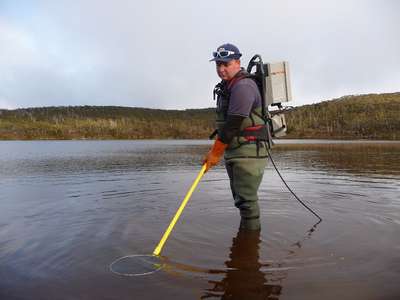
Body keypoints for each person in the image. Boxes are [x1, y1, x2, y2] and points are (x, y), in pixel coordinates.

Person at [203, 43, 269, 231]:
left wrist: (214, 153)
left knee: (247, 202)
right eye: (218, 65)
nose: (221, 69)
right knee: (241, 201)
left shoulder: (244, 86)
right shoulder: (229, 86)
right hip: (236, 150)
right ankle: (246, 246)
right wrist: (215, 153)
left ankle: (249, 248)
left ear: (237, 62)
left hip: (249, 152)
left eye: (226, 64)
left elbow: (232, 125)